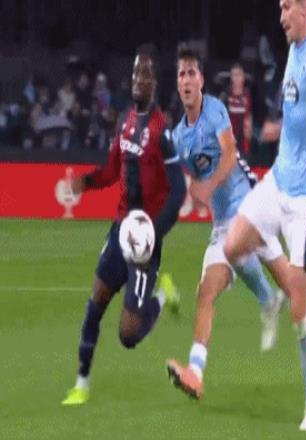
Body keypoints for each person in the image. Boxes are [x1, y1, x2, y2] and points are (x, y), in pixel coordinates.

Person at [223, 0, 306, 431]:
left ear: (305, 9)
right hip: (278, 179)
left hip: (305, 196)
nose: (281, 16)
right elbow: (300, 114)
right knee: (233, 245)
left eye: (287, 7)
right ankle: (280, 296)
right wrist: (276, 130)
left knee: (300, 308)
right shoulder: (293, 51)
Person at [61, 45, 187, 406]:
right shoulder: (125, 121)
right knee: (95, 303)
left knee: (128, 335)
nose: (138, 79)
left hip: (146, 243)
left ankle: (162, 295)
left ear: (155, 82)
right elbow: (113, 170)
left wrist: (154, 234)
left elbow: (179, 191)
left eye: (145, 74)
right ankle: (81, 383)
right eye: (135, 72)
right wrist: (86, 183)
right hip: (120, 231)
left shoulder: (162, 131)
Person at [165, 48, 285, 400]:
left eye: (192, 73)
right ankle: (195, 373)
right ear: (178, 84)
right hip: (222, 224)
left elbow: (229, 155)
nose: (187, 80)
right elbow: (181, 180)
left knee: (292, 279)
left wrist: (207, 186)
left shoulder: (215, 110)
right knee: (206, 292)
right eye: (181, 74)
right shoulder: (179, 137)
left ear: (201, 80)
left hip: (249, 209)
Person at [220, 63, 253, 160]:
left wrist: (249, 128)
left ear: (243, 78)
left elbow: (250, 116)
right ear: (231, 78)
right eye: (234, 75)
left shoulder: (248, 95)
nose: (237, 78)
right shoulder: (225, 95)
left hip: (244, 143)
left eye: (239, 75)